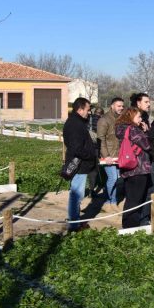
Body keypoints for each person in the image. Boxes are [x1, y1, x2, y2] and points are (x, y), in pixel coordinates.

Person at [62, 97, 98, 232]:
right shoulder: (74, 124)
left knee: (78, 194)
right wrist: (90, 155)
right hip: (78, 164)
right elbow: (76, 148)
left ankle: (76, 220)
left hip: (81, 163)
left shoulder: (77, 122)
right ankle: (74, 224)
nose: (89, 113)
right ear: (80, 109)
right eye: (88, 110)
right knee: (76, 194)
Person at [115, 108, 153, 228]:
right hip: (138, 168)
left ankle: (128, 225)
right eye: (138, 117)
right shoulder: (133, 129)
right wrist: (146, 132)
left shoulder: (122, 128)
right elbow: (147, 145)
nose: (141, 119)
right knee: (135, 200)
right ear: (131, 117)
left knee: (131, 199)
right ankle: (131, 227)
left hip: (128, 168)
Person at [97, 97, 125, 211]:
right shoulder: (104, 120)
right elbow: (100, 138)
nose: (121, 108)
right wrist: (106, 155)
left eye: (122, 106)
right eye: (119, 106)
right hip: (108, 154)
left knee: (118, 178)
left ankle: (111, 200)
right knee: (113, 178)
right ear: (112, 106)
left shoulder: (121, 118)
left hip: (119, 154)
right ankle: (110, 201)